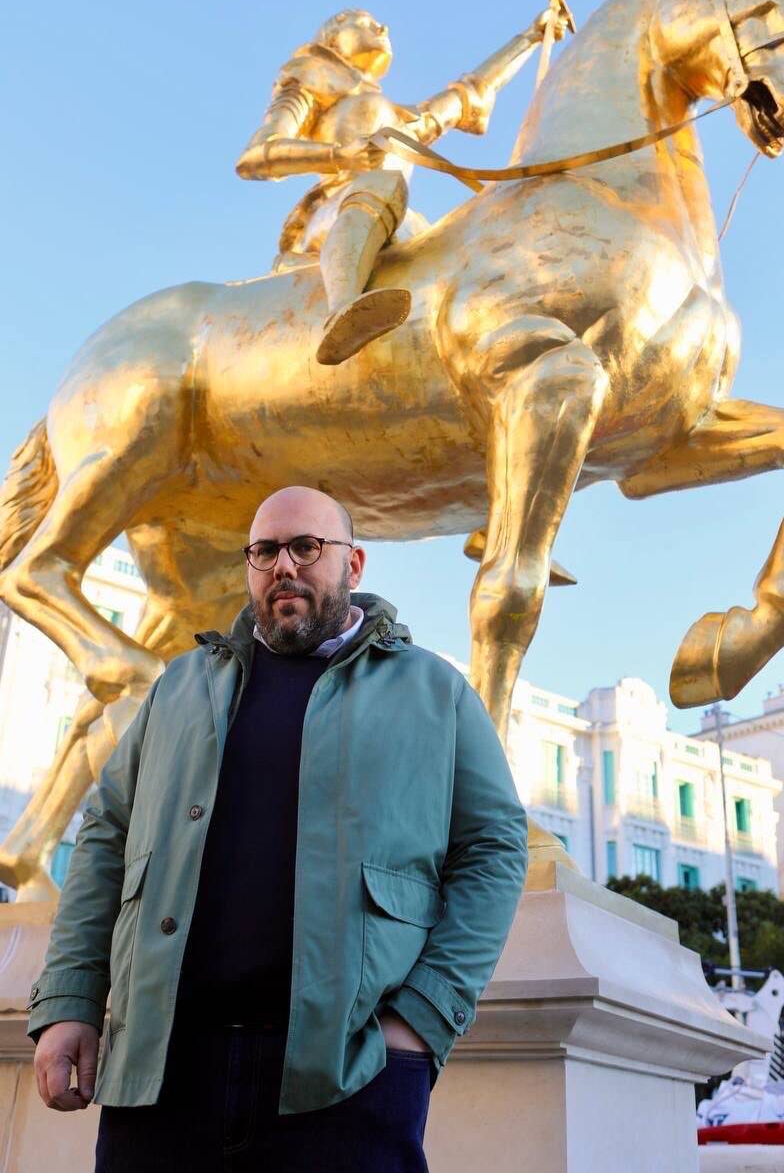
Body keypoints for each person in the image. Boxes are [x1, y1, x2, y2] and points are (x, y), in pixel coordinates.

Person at [28, 485, 528, 1171]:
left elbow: (494, 852)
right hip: (160, 1072)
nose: (283, 566)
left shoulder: (434, 692)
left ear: (352, 567)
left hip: (346, 1078)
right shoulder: (179, 687)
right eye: (264, 550)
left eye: (306, 547)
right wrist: (69, 1004)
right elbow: (104, 840)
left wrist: (420, 1021)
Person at [235, 6, 567, 365]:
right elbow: (257, 154)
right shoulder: (307, 77)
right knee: (382, 184)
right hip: (333, 211)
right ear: (333, 37)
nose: (381, 26)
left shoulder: (394, 116)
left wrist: (530, 37)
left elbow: (469, 92)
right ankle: (343, 311)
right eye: (361, 21)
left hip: (395, 213)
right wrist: (340, 155)